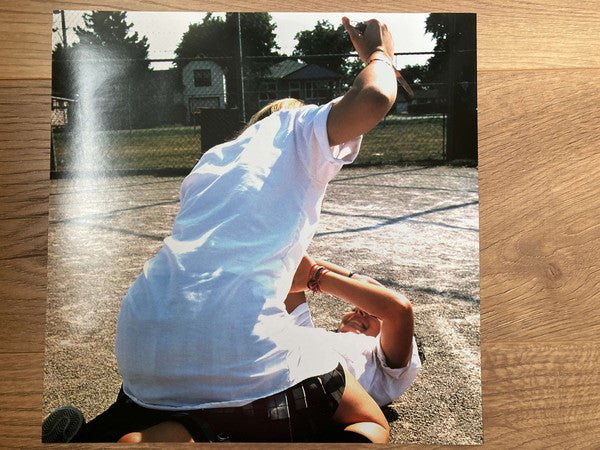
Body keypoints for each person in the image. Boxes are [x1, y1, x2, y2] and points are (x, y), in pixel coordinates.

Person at [43, 17, 403, 443]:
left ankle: (139, 433)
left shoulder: (214, 160)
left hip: (142, 338)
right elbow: (374, 97)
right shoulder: (299, 128)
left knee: (195, 402)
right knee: (368, 421)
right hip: (227, 343)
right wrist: (380, 55)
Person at [284, 255, 421, 407]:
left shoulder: (387, 370)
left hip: (296, 394)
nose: (360, 312)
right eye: (354, 309)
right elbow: (291, 261)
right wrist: (356, 279)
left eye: (374, 314)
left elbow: (398, 310)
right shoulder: (307, 333)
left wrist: (317, 276)